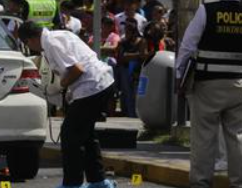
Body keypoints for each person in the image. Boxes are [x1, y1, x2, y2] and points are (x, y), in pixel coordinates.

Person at [176, 0, 242, 188]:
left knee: (204, 137)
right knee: (238, 138)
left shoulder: (207, 11)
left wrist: (178, 76)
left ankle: (201, 183)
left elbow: (187, 46)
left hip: (208, 84)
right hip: (240, 85)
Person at [18, 21, 116, 188]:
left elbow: (76, 69)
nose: (31, 48)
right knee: (86, 135)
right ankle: (98, 181)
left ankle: (73, 183)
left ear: (31, 39)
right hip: (101, 83)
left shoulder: (50, 43)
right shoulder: (60, 35)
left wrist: (58, 86)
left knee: (70, 136)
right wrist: (69, 91)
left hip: (91, 87)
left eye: (27, 44)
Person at [116, 18, 147, 118]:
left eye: (129, 29)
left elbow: (143, 55)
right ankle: (130, 115)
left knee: (136, 94)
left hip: (137, 71)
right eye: (126, 29)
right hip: (125, 70)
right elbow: (121, 57)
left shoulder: (141, 41)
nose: (126, 31)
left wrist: (129, 56)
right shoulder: (122, 43)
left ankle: (138, 115)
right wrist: (135, 55)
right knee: (127, 94)